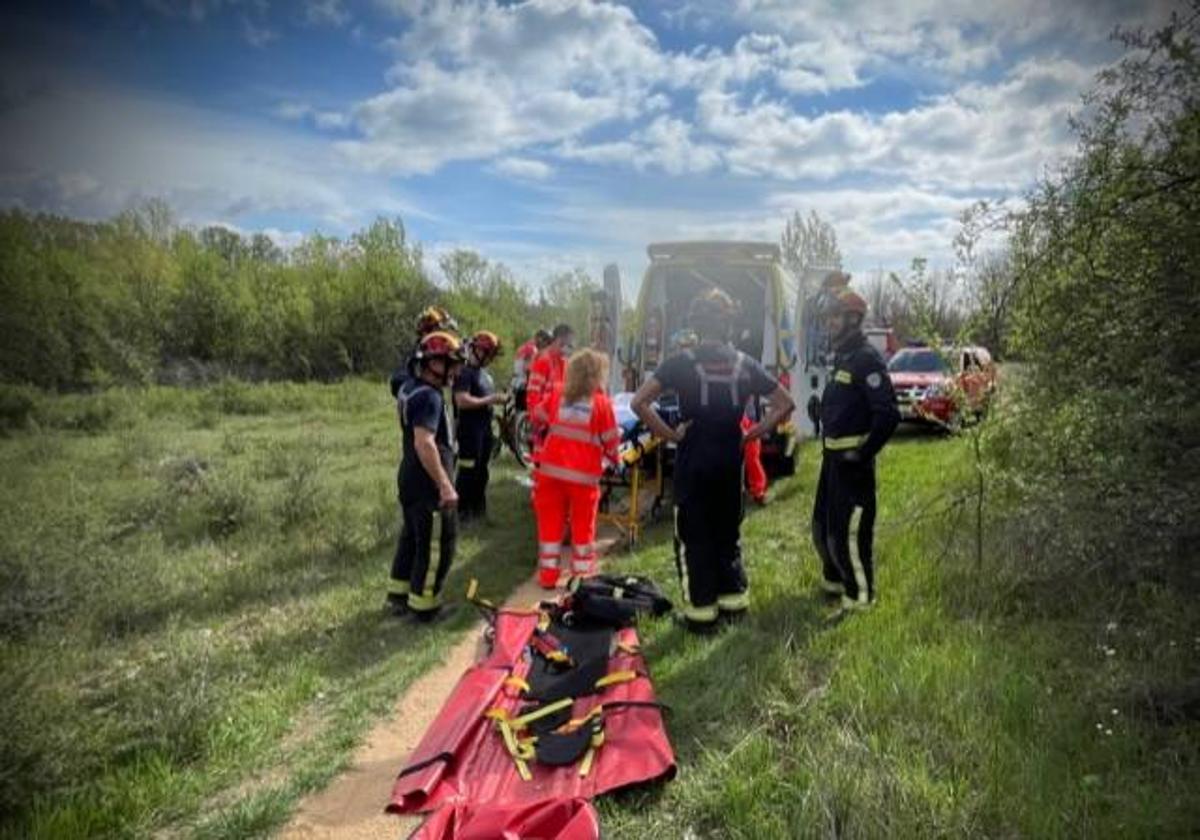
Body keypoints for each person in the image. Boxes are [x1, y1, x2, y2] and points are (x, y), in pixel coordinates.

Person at [632, 290, 794, 632]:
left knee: (693, 533)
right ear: (728, 324)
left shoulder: (679, 362)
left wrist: (672, 435)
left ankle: (700, 614)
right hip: (729, 458)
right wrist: (753, 434)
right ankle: (734, 606)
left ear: (697, 323)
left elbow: (639, 403)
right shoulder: (744, 363)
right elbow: (785, 403)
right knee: (727, 530)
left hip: (695, 457)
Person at [811, 286, 900, 611]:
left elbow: (889, 414)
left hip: (853, 466)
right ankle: (835, 584)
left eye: (834, 317)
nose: (829, 323)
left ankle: (860, 599)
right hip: (832, 462)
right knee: (822, 529)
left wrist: (862, 454)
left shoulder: (866, 358)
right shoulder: (844, 357)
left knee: (849, 534)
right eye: (827, 318)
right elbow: (849, 404)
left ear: (853, 318)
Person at [387, 330, 466, 622]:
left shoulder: (409, 387)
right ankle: (426, 609)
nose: (456, 370)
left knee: (411, 538)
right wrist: (445, 485)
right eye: (452, 364)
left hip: (408, 476)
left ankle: (398, 594)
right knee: (436, 547)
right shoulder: (430, 397)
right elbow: (425, 442)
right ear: (434, 363)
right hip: (427, 483)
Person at [533, 349, 620, 588]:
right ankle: (581, 578)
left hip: (551, 474)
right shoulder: (602, 404)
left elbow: (537, 415)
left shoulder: (558, 393)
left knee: (550, 527)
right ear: (596, 376)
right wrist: (615, 460)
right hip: (584, 479)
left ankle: (548, 576)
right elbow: (611, 441)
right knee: (583, 527)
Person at [453, 330, 506, 523]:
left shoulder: (484, 375)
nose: (490, 359)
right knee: (468, 472)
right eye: (488, 354)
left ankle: (478, 512)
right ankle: (461, 514)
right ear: (477, 350)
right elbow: (462, 400)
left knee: (482, 471)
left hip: (484, 429)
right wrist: (491, 399)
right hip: (469, 430)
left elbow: (484, 399)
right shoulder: (464, 373)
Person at [527, 323, 575, 463]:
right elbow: (533, 397)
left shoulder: (563, 363)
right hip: (544, 427)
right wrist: (542, 422)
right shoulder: (544, 361)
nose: (569, 349)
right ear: (559, 340)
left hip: (556, 425)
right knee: (542, 466)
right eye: (569, 344)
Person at [390, 305, 458, 398]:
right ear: (427, 332)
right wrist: (421, 392)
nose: (446, 337)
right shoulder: (418, 354)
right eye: (442, 331)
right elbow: (397, 380)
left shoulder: (435, 352)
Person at [512, 328, 551, 411]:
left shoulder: (524, 347)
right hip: (524, 385)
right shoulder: (532, 349)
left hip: (517, 383)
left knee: (519, 412)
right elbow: (527, 368)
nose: (547, 346)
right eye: (546, 342)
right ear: (540, 339)